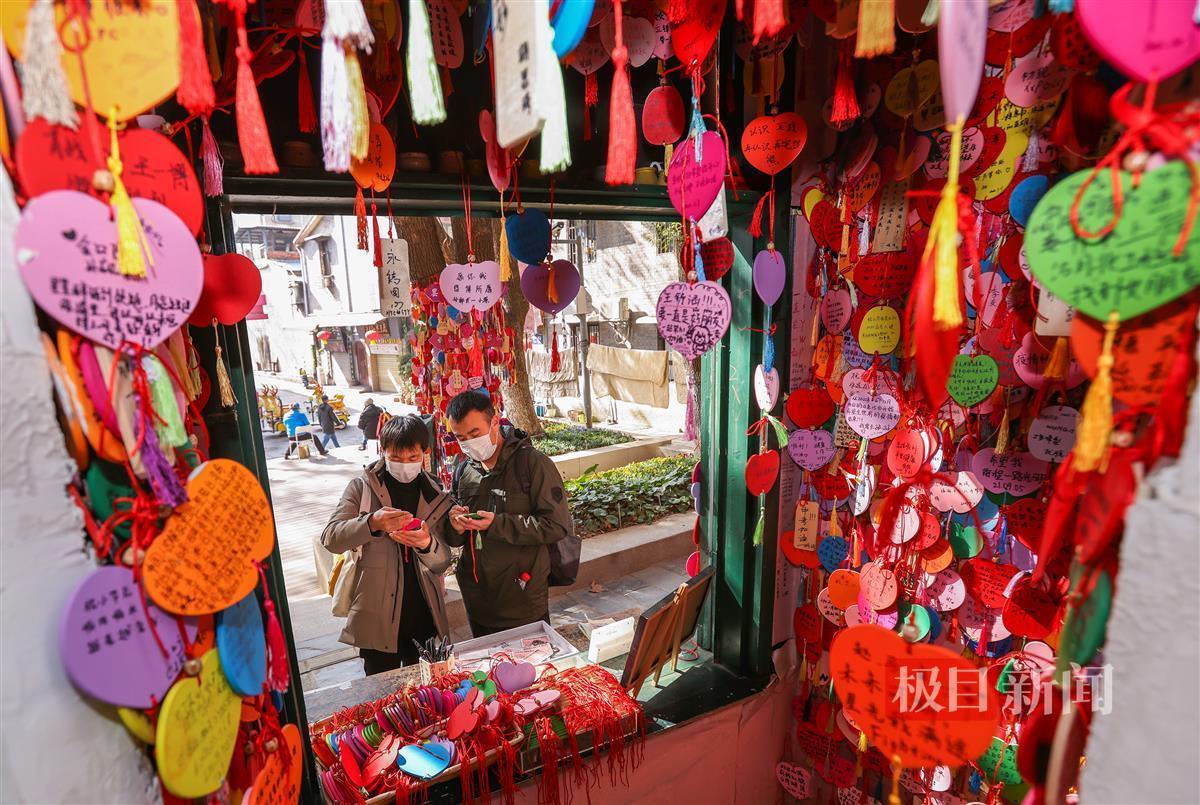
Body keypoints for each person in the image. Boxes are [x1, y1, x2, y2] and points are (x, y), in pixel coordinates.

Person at [320, 415, 455, 674]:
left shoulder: (435, 494)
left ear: (425, 453)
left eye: (413, 457)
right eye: (396, 458)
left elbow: (442, 563)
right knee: (381, 691)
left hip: (424, 615)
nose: (404, 465)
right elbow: (331, 538)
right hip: (376, 617)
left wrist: (427, 544)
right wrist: (372, 523)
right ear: (383, 451)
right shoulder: (361, 488)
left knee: (425, 688)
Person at [437, 389, 572, 637]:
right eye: (460, 437)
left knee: (531, 660)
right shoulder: (463, 470)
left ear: (495, 422)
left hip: (522, 596)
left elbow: (556, 526)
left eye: (474, 433)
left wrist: (496, 524)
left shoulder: (533, 464)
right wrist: (455, 525)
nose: (468, 443)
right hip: (477, 598)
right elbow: (456, 539)